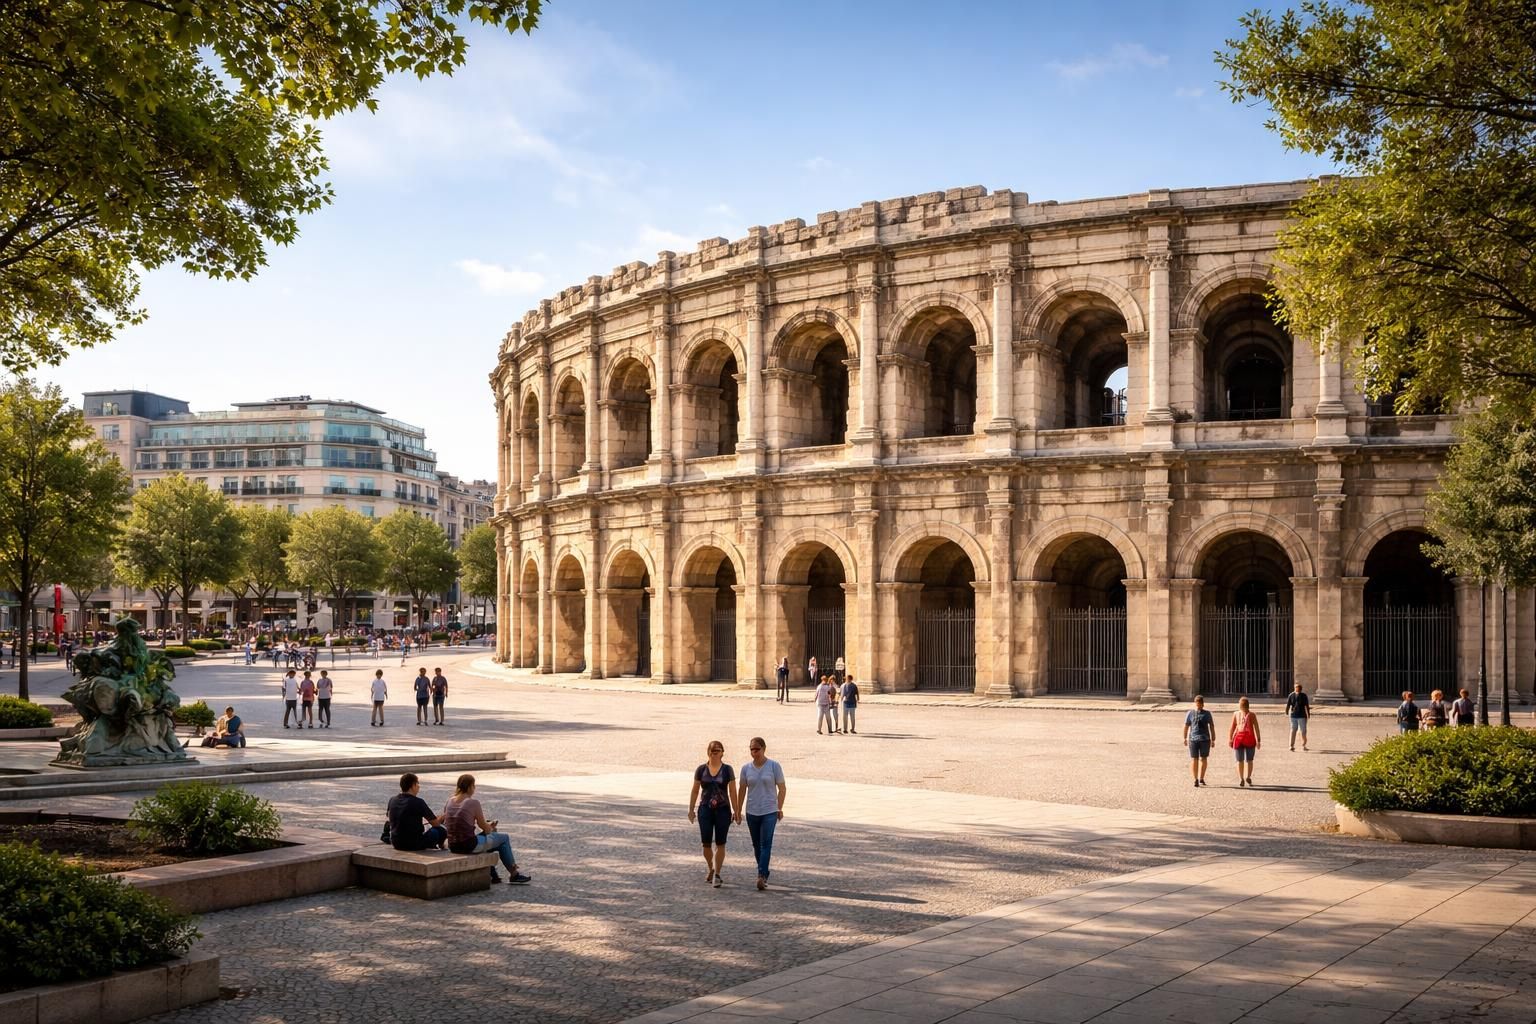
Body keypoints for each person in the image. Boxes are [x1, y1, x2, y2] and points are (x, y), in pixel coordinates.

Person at [443, 773, 531, 884]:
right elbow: (484, 827)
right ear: (470, 787)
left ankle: (494, 874)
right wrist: (490, 826)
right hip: (469, 845)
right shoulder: (473, 803)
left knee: (492, 840)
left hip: (453, 846)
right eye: (474, 786)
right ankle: (514, 874)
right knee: (503, 838)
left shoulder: (450, 801)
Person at [735, 737, 786, 891]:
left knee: (766, 844)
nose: (754, 752)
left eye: (757, 749)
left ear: (764, 749)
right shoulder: (746, 768)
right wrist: (737, 810)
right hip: (752, 811)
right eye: (751, 749)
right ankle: (764, 871)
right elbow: (742, 789)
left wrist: (779, 807)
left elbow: (782, 788)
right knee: (756, 844)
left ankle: (761, 875)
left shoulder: (774, 766)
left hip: (769, 810)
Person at [688, 740, 737, 888]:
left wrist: (737, 810)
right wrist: (691, 809)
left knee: (721, 843)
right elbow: (695, 790)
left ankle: (717, 874)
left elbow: (733, 791)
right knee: (706, 844)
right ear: (708, 752)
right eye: (712, 750)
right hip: (705, 809)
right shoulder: (701, 769)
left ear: (723, 752)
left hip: (723, 809)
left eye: (718, 750)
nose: (715, 752)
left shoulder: (728, 770)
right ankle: (711, 867)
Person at [386, 772, 446, 851]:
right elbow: (435, 823)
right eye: (417, 783)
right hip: (414, 843)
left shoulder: (392, 799)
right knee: (440, 831)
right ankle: (441, 846)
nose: (419, 786)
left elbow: (389, 816)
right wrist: (441, 818)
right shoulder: (418, 802)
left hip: (396, 842)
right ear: (413, 785)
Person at [1228, 696, 1261, 787]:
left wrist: (1230, 738)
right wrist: (1258, 740)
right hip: (1250, 738)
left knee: (1240, 760)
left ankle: (1241, 778)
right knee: (1249, 760)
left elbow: (1232, 727)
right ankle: (1248, 776)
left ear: (1240, 705)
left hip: (1239, 738)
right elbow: (1256, 728)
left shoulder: (1236, 714)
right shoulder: (1252, 715)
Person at [1182, 695, 1213, 787]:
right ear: (1195, 703)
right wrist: (1184, 737)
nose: (1198, 705)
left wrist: (1213, 738)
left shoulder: (1207, 713)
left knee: (1202, 758)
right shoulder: (1190, 713)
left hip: (1203, 739)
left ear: (1203, 704)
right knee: (1196, 759)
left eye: (1199, 704)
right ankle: (1196, 779)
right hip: (1195, 739)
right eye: (1197, 704)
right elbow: (1186, 726)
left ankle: (1200, 778)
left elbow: (1211, 726)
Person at [1285, 682, 1311, 752]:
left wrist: (1308, 714)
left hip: (1302, 715)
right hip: (1293, 715)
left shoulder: (1304, 696)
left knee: (1303, 731)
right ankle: (1291, 745)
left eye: (1298, 689)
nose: (1297, 690)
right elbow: (1288, 704)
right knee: (1293, 730)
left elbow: (1306, 706)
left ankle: (1304, 745)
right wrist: (1286, 711)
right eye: (1296, 689)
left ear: (1300, 689)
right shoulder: (1291, 695)